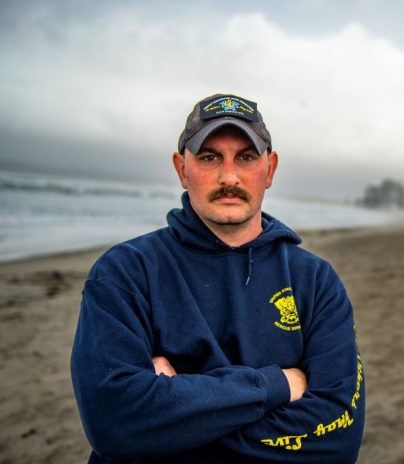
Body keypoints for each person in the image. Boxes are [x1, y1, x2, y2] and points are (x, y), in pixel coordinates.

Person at [71, 93, 365, 463]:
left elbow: (337, 441)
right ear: (181, 168)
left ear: (270, 169)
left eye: (246, 157)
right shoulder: (125, 272)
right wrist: (276, 385)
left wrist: (175, 421)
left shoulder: (315, 281)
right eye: (209, 157)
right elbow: (114, 423)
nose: (229, 176)